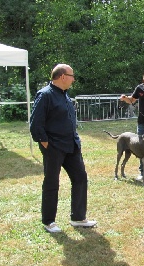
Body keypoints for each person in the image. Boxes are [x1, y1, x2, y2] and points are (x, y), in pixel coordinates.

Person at [30, 64, 97, 233]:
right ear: (62, 76)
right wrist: (45, 142)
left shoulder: (66, 96)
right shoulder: (45, 95)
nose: (73, 79)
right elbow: (36, 122)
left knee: (80, 177)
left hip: (71, 145)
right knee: (52, 182)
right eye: (71, 75)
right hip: (54, 146)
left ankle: (78, 218)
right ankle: (49, 221)